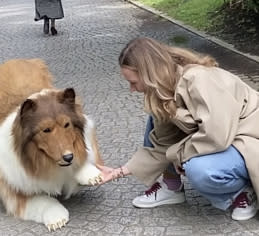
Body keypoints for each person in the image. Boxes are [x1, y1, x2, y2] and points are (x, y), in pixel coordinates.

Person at [97, 37, 259, 221]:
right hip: (226, 140)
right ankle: (171, 186)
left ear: (149, 74)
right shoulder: (161, 92)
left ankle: (242, 191)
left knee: (199, 169)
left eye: (133, 82)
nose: (132, 89)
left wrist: (178, 154)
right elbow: (161, 143)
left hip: (249, 138)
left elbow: (217, 136)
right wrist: (118, 172)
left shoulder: (199, 79)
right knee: (156, 116)